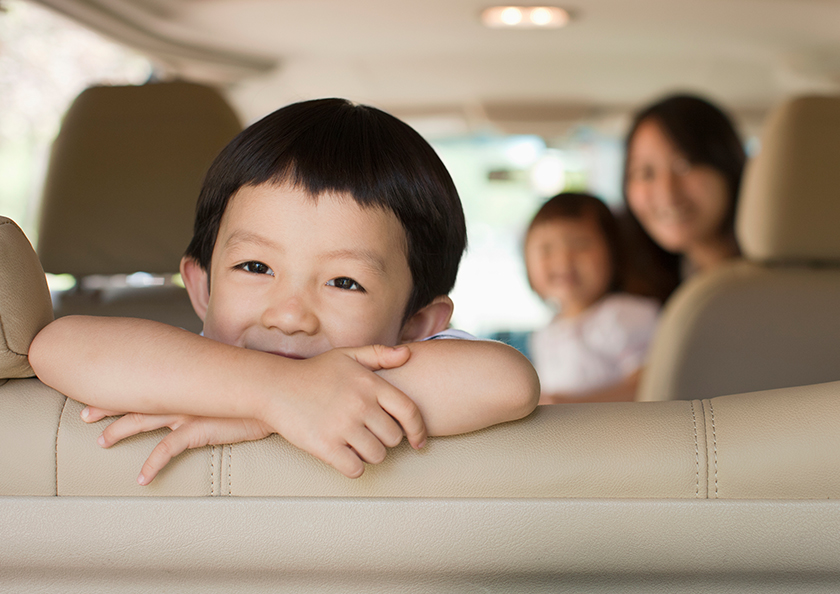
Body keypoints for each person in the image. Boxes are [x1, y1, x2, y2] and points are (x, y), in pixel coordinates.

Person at [29, 98, 539, 484]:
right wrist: (274, 393)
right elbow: (56, 347)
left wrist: (284, 401)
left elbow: (508, 381)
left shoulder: (408, 365)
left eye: (344, 281)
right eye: (255, 266)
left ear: (418, 324)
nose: (290, 315)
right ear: (202, 288)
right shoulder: (170, 362)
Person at [524, 193, 659, 404]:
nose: (563, 260)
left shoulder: (623, 315)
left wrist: (569, 406)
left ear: (613, 252)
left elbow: (648, 386)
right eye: (546, 249)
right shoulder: (544, 335)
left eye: (580, 244)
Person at [622, 94, 747, 302]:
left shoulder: (783, 285)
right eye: (645, 173)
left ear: (727, 167)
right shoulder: (637, 302)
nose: (667, 192)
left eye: (685, 164)